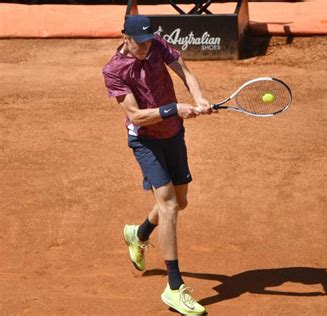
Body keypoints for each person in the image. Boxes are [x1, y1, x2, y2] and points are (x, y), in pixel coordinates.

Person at [102, 15, 211, 315]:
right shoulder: (113, 70)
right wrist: (174, 108)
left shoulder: (156, 45)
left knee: (180, 201)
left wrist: (200, 98)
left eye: (149, 40)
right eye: (140, 42)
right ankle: (174, 288)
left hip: (173, 134)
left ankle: (139, 234)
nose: (145, 47)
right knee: (169, 206)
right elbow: (136, 116)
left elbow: (185, 72)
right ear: (126, 38)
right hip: (145, 140)